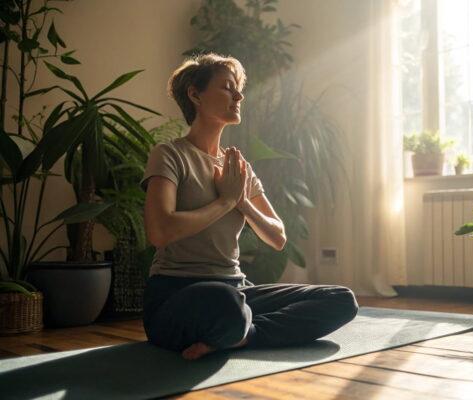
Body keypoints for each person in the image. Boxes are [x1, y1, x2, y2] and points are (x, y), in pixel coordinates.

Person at [141, 53, 358, 360]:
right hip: (177, 296)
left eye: (238, 88)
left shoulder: (237, 167)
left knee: (340, 299)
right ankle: (238, 329)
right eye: (228, 87)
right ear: (195, 95)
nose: (239, 95)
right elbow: (160, 232)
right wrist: (225, 201)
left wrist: (242, 201)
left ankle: (244, 336)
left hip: (236, 289)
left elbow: (278, 236)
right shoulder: (169, 155)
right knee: (225, 302)